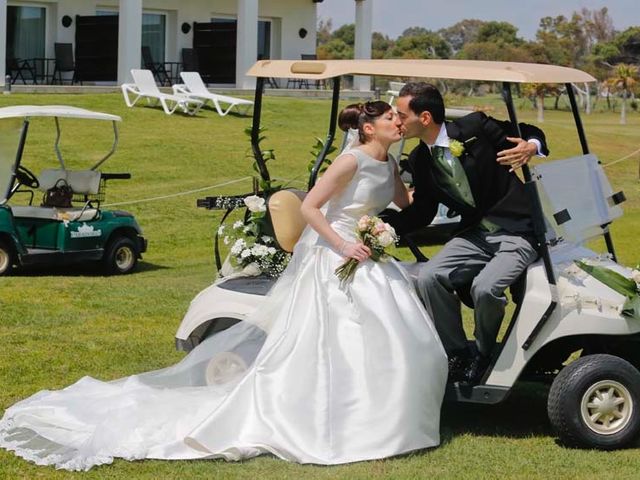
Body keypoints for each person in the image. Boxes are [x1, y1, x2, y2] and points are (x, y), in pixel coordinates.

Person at [0, 101, 447, 471]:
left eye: (399, 118)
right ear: (368, 127)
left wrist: (415, 181)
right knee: (345, 333)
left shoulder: (388, 162)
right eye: (391, 117)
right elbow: (312, 207)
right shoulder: (349, 160)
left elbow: (403, 201)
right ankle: (335, 415)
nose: (398, 121)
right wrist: (345, 244)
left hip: (367, 252)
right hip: (338, 253)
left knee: (401, 336)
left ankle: (377, 416)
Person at [388, 82, 548, 385]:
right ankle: (457, 353)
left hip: (517, 230)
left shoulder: (476, 128)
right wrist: (384, 229)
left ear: (424, 118)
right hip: (475, 233)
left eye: (401, 114)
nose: (397, 120)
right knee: (429, 277)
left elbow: (528, 130)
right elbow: (422, 210)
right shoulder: (421, 160)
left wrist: (531, 146)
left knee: (485, 288)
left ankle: (486, 354)